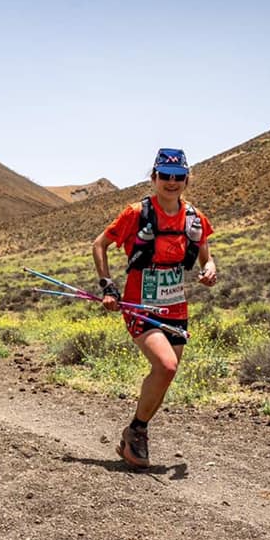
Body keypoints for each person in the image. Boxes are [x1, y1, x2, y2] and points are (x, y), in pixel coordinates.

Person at [92, 148, 217, 469]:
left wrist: (210, 270)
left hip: (176, 307)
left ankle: (134, 434)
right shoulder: (136, 213)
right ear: (154, 178)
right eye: (165, 176)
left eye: (178, 177)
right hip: (140, 306)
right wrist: (108, 286)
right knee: (166, 367)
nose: (171, 182)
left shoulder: (194, 217)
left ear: (187, 179)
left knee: (163, 377)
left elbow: (206, 254)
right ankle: (137, 430)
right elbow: (99, 244)